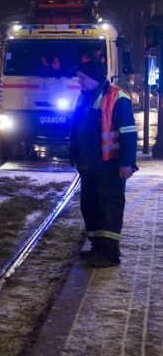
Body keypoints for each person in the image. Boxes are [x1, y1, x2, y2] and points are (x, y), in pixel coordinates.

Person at [69, 57, 137, 268]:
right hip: (88, 165)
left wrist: (126, 163)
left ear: (94, 77)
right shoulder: (84, 96)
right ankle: (97, 247)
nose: (79, 83)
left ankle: (109, 255)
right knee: (91, 207)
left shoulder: (118, 97)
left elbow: (128, 133)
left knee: (109, 208)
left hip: (110, 165)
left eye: (82, 78)